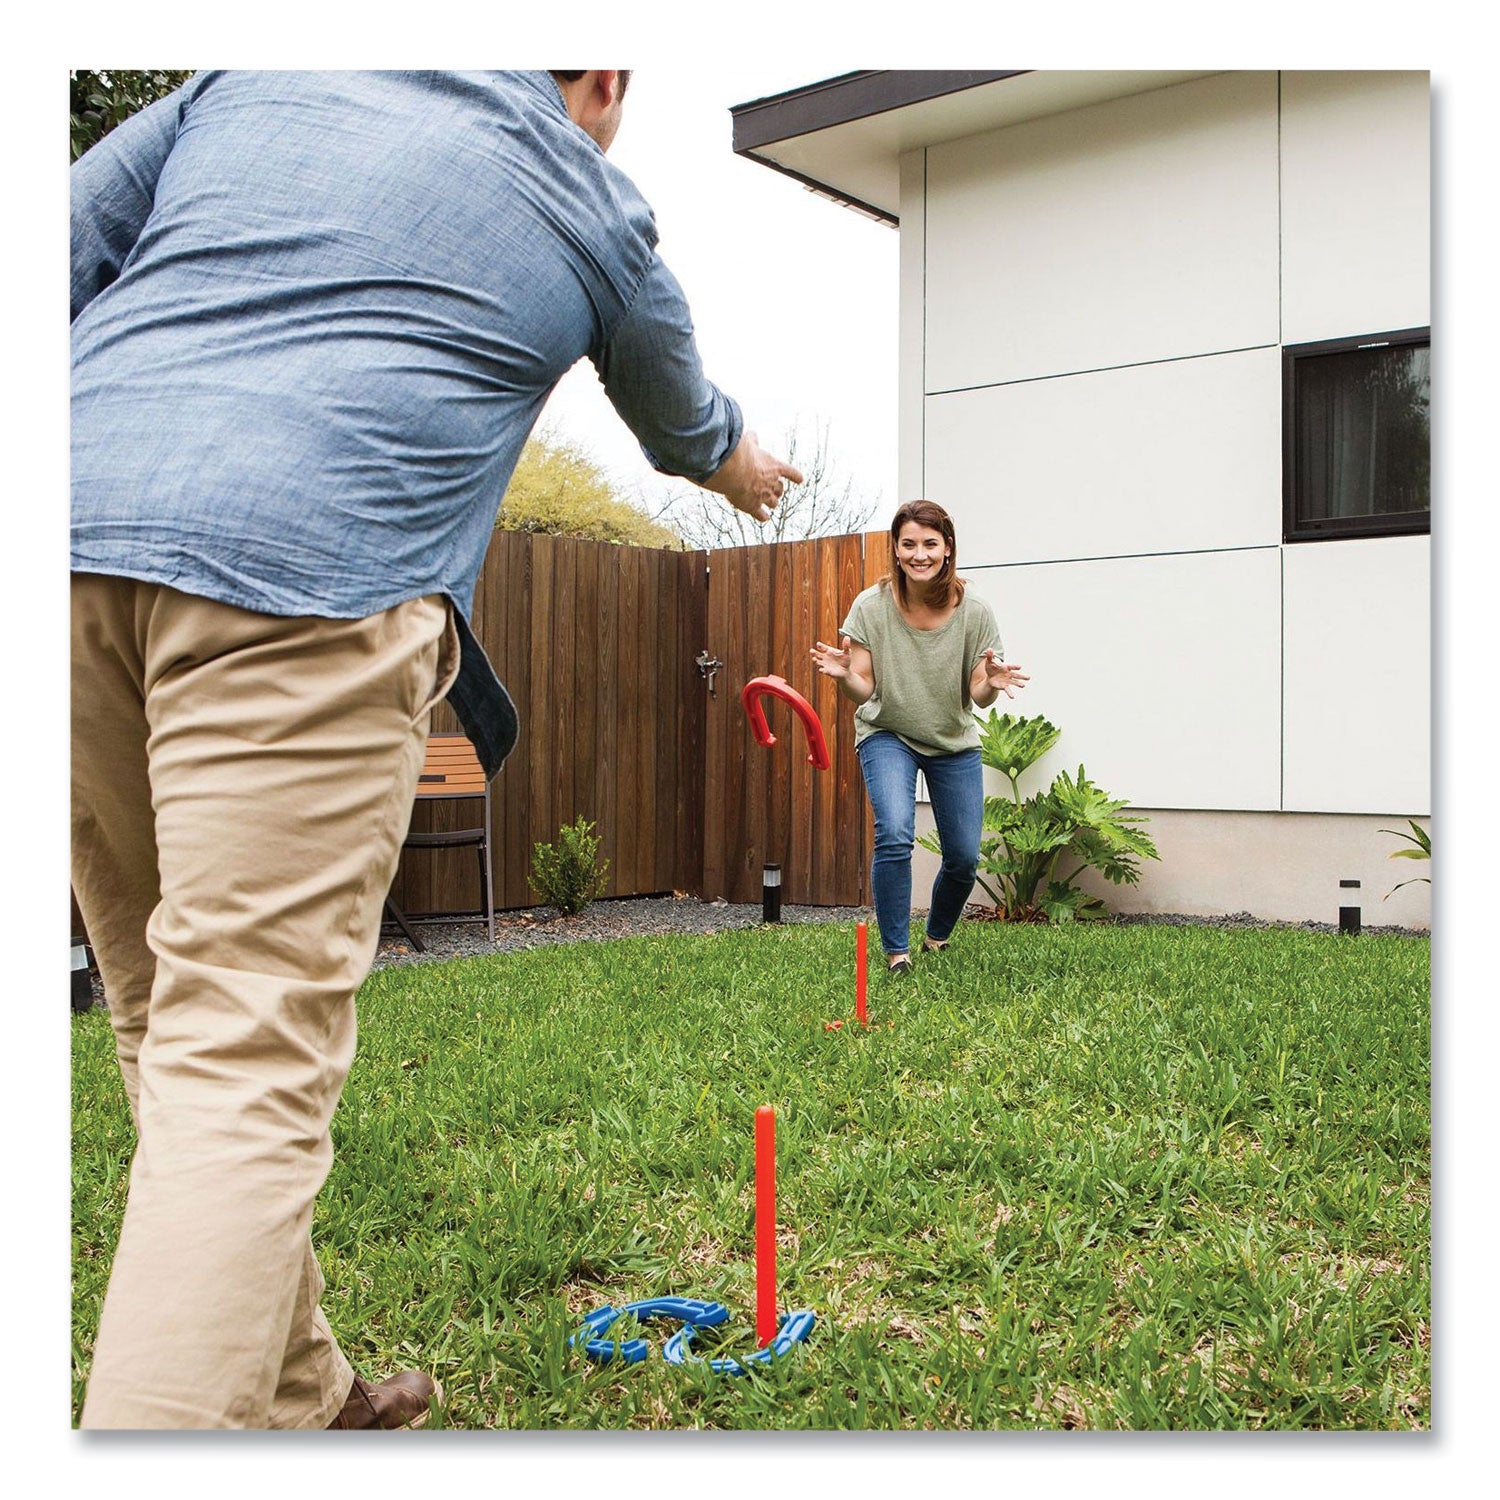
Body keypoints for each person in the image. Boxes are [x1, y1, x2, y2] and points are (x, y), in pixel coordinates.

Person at [70, 69, 802, 1430]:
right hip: (305, 573)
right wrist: (743, 467)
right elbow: (684, 418)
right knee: (239, 1061)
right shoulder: (592, 201)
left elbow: (54, 246)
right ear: (602, 79)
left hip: (60, 546)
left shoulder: (258, 76)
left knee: (171, 1017)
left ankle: (304, 1396)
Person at [811, 500, 1028, 974]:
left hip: (952, 741)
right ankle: (897, 954)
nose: (919, 554)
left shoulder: (975, 613)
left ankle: (936, 937)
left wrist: (990, 683)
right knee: (894, 833)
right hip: (888, 731)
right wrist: (845, 675)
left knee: (964, 857)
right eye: (908, 544)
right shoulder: (871, 606)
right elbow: (864, 688)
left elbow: (978, 692)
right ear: (896, 548)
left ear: (947, 549)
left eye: (930, 544)